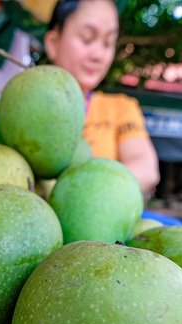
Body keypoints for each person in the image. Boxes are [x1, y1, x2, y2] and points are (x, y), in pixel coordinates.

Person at [44, 0, 160, 195]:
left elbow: (147, 168)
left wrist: (87, 191)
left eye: (108, 43)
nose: (99, 55)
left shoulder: (122, 108)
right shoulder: (27, 107)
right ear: (53, 43)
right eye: (87, 38)